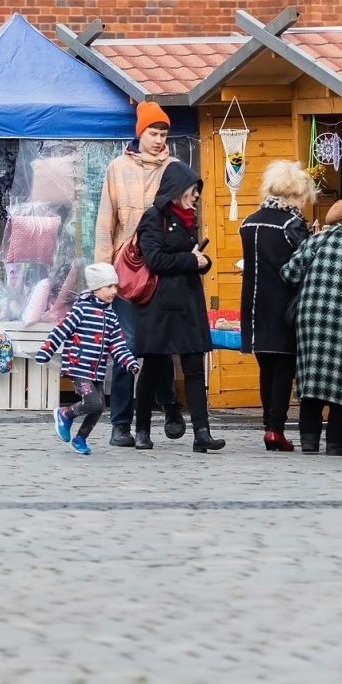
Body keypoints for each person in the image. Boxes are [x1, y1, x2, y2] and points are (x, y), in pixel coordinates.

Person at [94, 101, 180, 447]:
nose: (158, 140)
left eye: (163, 134)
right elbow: (105, 222)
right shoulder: (117, 168)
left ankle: (170, 404)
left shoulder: (174, 169)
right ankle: (120, 423)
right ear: (140, 133)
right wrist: (102, 276)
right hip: (125, 271)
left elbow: (186, 218)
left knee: (160, 345)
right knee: (125, 346)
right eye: (153, 133)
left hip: (161, 269)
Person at [133, 161, 223, 453]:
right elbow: (154, 260)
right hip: (160, 305)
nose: (196, 195)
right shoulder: (153, 217)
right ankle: (142, 430)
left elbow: (192, 257)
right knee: (153, 367)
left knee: (194, 367)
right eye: (193, 189)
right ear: (177, 189)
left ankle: (202, 433)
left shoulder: (188, 218)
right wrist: (191, 261)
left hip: (188, 303)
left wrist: (203, 263)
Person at [286, 197, 342, 456]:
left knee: (312, 377)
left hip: (311, 318)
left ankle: (309, 440)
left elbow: (289, 273)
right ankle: (337, 441)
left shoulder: (316, 240)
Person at [239, 160, 314, 452]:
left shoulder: (249, 221)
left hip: (253, 303)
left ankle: (269, 426)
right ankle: (275, 429)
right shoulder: (291, 223)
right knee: (283, 367)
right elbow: (304, 262)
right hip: (284, 303)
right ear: (295, 193)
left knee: (266, 367)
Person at [34, 262, 140, 455]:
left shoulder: (111, 316)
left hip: (96, 370)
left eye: (115, 286)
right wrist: (46, 351)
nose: (114, 291)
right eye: (109, 286)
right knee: (93, 402)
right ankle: (64, 414)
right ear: (96, 288)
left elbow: (118, 344)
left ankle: (80, 438)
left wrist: (129, 362)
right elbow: (61, 330)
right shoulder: (81, 310)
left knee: (99, 408)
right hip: (78, 366)